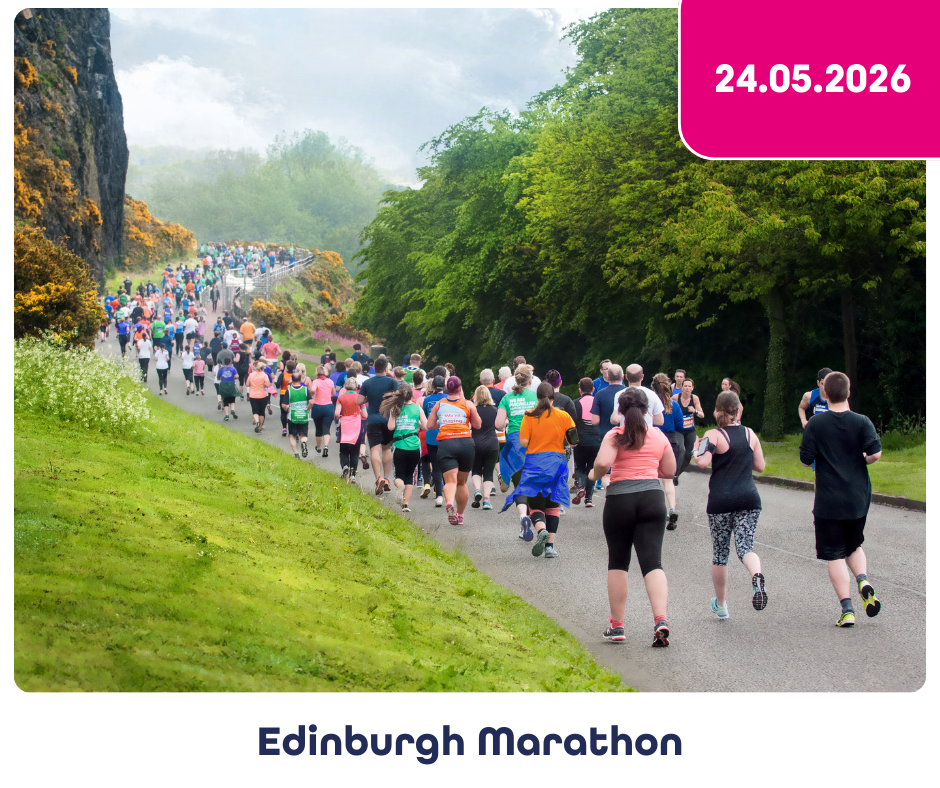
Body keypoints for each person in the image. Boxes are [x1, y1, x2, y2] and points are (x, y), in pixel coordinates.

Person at [591, 388, 676, 646]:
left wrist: (595, 474)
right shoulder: (658, 435)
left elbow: (603, 464)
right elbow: (670, 470)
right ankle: (660, 619)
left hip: (620, 500)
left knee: (618, 561)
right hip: (652, 499)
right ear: (647, 410)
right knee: (653, 563)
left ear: (621, 411)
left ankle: (617, 625)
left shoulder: (615, 435)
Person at [799, 371, 882, 627]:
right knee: (854, 545)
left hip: (828, 500)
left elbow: (805, 459)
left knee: (835, 554)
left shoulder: (816, 424)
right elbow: (875, 454)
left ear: (824, 394)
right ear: (848, 393)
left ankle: (847, 610)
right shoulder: (862, 421)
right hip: (858, 498)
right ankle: (863, 580)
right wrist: (862, 459)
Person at [694, 391, 768, 619]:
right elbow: (760, 466)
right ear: (738, 411)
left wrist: (698, 447)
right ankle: (756, 575)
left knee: (720, 554)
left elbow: (702, 463)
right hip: (749, 498)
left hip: (721, 501)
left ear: (717, 410)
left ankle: (722, 604)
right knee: (745, 547)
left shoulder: (713, 435)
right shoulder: (750, 434)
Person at [501, 382, 576, 558]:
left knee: (536, 505)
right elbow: (573, 440)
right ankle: (550, 546)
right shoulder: (564, 416)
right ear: (553, 397)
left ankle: (540, 529)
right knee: (553, 506)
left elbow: (524, 442)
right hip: (556, 464)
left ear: (537, 397)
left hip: (535, 464)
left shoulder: (529, 416)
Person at [426, 376, 482, 525]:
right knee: (462, 483)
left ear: (446, 389)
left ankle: (449, 502)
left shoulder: (439, 404)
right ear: (459, 388)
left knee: (450, 481)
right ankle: (461, 515)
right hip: (465, 443)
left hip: (446, 443)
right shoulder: (468, 404)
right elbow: (477, 425)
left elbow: (429, 425)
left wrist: (441, 421)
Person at [495, 366, 539, 539]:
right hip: (533, 443)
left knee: (519, 484)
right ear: (530, 381)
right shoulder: (535, 398)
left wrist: (509, 420)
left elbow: (498, 424)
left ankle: (523, 517)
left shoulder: (506, 398)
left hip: (514, 443)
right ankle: (534, 519)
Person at [382, 383, 428, 513]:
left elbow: (390, 427)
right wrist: (416, 422)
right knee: (410, 475)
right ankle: (405, 504)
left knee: (398, 475)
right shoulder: (417, 408)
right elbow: (425, 427)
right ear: (411, 395)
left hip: (400, 446)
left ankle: (399, 486)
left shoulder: (395, 409)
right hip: (414, 446)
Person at [358, 357, 400, 495]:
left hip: (374, 419)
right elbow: (400, 397)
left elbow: (359, 400)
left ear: (374, 368)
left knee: (375, 451)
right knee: (387, 449)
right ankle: (387, 478)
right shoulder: (392, 382)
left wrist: (368, 397)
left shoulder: (367, 382)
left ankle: (378, 478)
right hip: (388, 419)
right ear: (386, 369)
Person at [651, 373, 684, 530]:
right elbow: (680, 425)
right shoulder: (674, 405)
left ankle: (656, 509)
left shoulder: (650, 404)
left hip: (653, 440)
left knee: (652, 478)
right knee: (668, 479)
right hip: (670, 441)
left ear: (653, 386)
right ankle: (672, 508)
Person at [571, 377, 601, 507]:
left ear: (580, 390)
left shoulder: (576, 403)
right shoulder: (597, 402)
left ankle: (581, 486)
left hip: (580, 440)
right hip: (596, 440)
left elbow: (572, 423)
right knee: (591, 468)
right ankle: (589, 498)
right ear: (593, 389)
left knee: (580, 467)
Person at [470, 385, 499, 510]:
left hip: (475, 443)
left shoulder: (473, 410)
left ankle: (477, 490)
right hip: (492, 444)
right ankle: (486, 500)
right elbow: (500, 427)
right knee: (488, 473)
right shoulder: (495, 410)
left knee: (476, 470)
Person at [335, 377, 367, 484]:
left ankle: (345, 466)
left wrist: (340, 416)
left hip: (345, 425)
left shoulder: (341, 398)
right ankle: (353, 475)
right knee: (354, 451)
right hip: (356, 426)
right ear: (355, 386)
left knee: (343, 450)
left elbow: (336, 413)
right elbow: (365, 414)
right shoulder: (359, 398)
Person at [421, 375, 447, 504]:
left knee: (436, 467)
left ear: (432, 386)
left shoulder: (427, 400)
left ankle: (439, 497)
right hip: (446, 436)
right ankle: (449, 493)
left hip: (431, 436)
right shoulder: (448, 399)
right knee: (447, 466)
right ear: (445, 386)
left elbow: (426, 417)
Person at [672, 378, 704, 481]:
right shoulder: (676, 397)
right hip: (679, 430)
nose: (687, 388)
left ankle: (678, 473)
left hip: (690, 430)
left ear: (692, 388)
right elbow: (668, 410)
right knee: (680, 449)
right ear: (682, 387)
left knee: (688, 454)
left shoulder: (694, 398)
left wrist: (694, 411)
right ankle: (674, 473)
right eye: (685, 386)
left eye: (689, 386)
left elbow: (702, 415)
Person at [282, 371, 315, 458]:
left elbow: (284, 404)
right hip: (303, 416)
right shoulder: (305, 390)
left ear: (292, 380)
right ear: (300, 379)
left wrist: (287, 408)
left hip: (293, 416)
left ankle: (296, 454)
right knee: (303, 434)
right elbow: (311, 402)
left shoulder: (289, 391)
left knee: (292, 435)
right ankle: (303, 443)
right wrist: (308, 408)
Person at [310, 365, 336, 456]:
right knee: (326, 428)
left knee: (318, 428)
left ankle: (318, 447)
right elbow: (333, 392)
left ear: (317, 373)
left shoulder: (316, 381)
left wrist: (312, 392)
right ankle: (326, 446)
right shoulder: (330, 381)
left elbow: (313, 390)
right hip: (328, 406)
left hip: (317, 406)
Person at [247, 360, 272, 433]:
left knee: (255, 411)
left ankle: (257, 421)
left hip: (253, 395)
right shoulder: (264, 375)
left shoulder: (251, 375)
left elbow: (247, 384)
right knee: (261, 412)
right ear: (262, 368)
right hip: (262, 395)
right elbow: (268, 385)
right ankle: (260, 427)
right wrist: (264, 384)